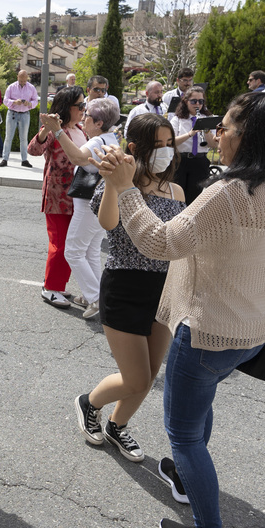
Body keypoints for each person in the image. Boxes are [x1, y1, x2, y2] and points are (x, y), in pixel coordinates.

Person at [94, 89, 265, 528]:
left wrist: (126, 188)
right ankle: (186, 481)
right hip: (251, 330)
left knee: (183, 434)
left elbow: (158, 241)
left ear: (247, 137)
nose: (217, 136)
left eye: (225, 128)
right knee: (200, 406)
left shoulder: (227, 193)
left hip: (207, 329)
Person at [75, 112, 184, 461]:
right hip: (125, 286)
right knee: (135, 377)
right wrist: (115, 183)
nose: (165, 151)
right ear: (136, 148)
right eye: (158, 145)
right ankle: (88, 403)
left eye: (169, 144)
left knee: (149, 375)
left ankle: (117, 425)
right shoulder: (119, 181)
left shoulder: (176, 190)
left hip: (165, 292)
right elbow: (108, 223)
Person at [42, 96, 121, 318]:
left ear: (98, 123)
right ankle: (96, 296)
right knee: (91, 252)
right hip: (99, 205)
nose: (83, 118)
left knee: (74, 252)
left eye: (87, 116)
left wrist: (58, 131)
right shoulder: (110, 138)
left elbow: (77, 157)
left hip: (88, 206)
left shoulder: (97, 141)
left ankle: (95, 298)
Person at [29, 86, 87, 309]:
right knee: (59, 244)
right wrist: (45, 130)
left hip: (78, 197)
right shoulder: (54, 130)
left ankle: (58, 285)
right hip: (57, 197)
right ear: (67, 107)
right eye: (79, 106)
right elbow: (34, 149)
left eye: (84, 105)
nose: (83, 109)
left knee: (72, 244)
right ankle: (50, 288)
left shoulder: (81, 129)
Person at [167, 85, 217, 204]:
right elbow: (171, 142)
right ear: (186, 101)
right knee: (178, 195)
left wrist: (206, 130)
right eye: (194, 101)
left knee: (195, 198)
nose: (197, 105)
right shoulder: (177, 119)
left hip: (200, 162)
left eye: (201, 101)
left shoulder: (208, 118)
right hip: (181, 161)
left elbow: (213, 145)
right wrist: (190, 134)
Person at [1, 69, 37, 168]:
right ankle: (5, 159)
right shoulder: (11, 87)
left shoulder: (31, 88)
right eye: (21, 80)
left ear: (27, 78)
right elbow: (5, 100)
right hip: (12, 113)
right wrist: (14, 102)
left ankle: (24, 160)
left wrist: (29, 104)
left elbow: (35, 101)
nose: (22, 82)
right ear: (18, 77)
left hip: (25, 114)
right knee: (8, 137)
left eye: (24, 81)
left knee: (24, 138)